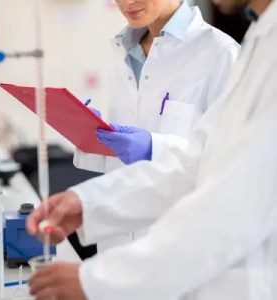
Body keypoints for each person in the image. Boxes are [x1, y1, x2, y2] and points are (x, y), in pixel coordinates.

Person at [28, 0, 277, 297]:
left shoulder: (228, 51)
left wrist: (101, 279)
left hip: (199, 269)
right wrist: (89, 203)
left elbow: (229, 202)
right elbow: (200, 160)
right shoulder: (261, 40)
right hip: (142, 253)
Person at [74, 0, 239, 252]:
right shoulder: (125, 50)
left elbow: (231, 165)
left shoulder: (221, 54)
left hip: (180, 247)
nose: (126, 3)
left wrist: (155, 147)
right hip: (118, 243)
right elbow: (123, 162)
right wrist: (93, 136)